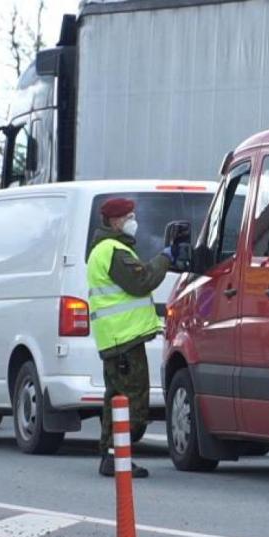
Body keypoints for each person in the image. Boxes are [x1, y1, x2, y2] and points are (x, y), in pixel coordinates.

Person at [87, 197, 171, 478]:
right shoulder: (113, 250)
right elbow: (141, 281)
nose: (134, 221)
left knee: (116, 400)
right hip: (124, 339)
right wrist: (165, 259)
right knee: (133, 401)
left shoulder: (106, 250)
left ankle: (109, 454)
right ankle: (116, 456)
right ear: (115, 221)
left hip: (115, 340)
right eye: (130, 216)